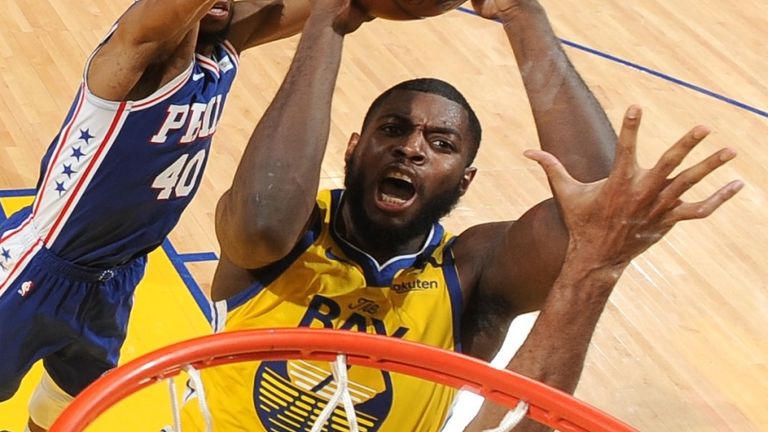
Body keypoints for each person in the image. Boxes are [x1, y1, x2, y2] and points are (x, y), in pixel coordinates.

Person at [182, 0, 742, 431]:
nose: (412, 149)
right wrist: (330, 17)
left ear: (465, 179)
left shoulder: (471, 271)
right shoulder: (288, 234)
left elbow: (595, 215)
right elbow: (260, 217)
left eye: (441, 143)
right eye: (394, 129)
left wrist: (522, 16)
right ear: (353, 148)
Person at [0, 0, 314, 430]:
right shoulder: (136, 53)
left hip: (115, 283)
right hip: (34, 272)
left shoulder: (224, 52)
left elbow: (331, 8)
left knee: (66, 409)